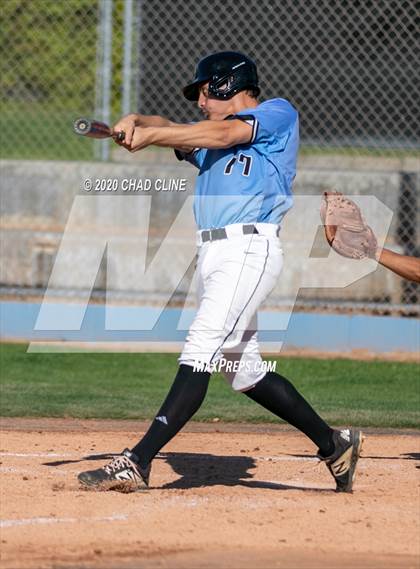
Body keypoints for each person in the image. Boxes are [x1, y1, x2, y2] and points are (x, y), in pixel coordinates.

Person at [78, 51, 362, 493]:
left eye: (205, 91)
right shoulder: (207, 142)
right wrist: (138, 121)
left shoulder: (276, 113)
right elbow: (185, 132)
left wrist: (153, 135)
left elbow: (226, 131)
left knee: (201, 347)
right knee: (242, 369)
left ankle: (137, 460)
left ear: (229, 85)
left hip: (249, 249)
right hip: (214, 256)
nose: (200, 101)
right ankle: (333, 443)